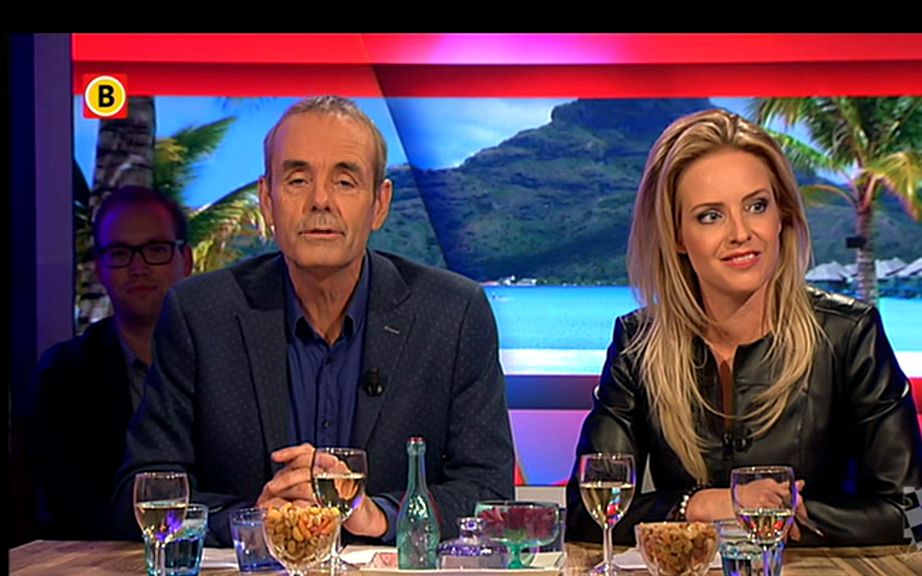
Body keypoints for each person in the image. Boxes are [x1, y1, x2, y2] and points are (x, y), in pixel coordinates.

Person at [111, 96, 515, 546]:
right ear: (267, 200)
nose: (320, 200)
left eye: (345, 181)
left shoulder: (453, 314)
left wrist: (374, 514)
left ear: (380, 204)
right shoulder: (200, 315)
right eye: (298, 179)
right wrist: (252, 522)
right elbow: (141, 494)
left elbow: (489, 493)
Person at [565, 109, 922, 546]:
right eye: (710, 216)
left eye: (756, 206)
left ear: (781, 216)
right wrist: (705, 505)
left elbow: (913, 514)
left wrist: (787, 515)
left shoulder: (850, 334)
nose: (741, 233)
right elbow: (587, 513)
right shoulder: (639, 344)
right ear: (676, 236)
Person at [27, 186, 193, 539]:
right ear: (100, 268)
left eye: (156, 250)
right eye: (120, 253)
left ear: (187, 261)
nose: (138, 267)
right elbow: (69, 506)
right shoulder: (64, 374)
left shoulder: (226, 360)